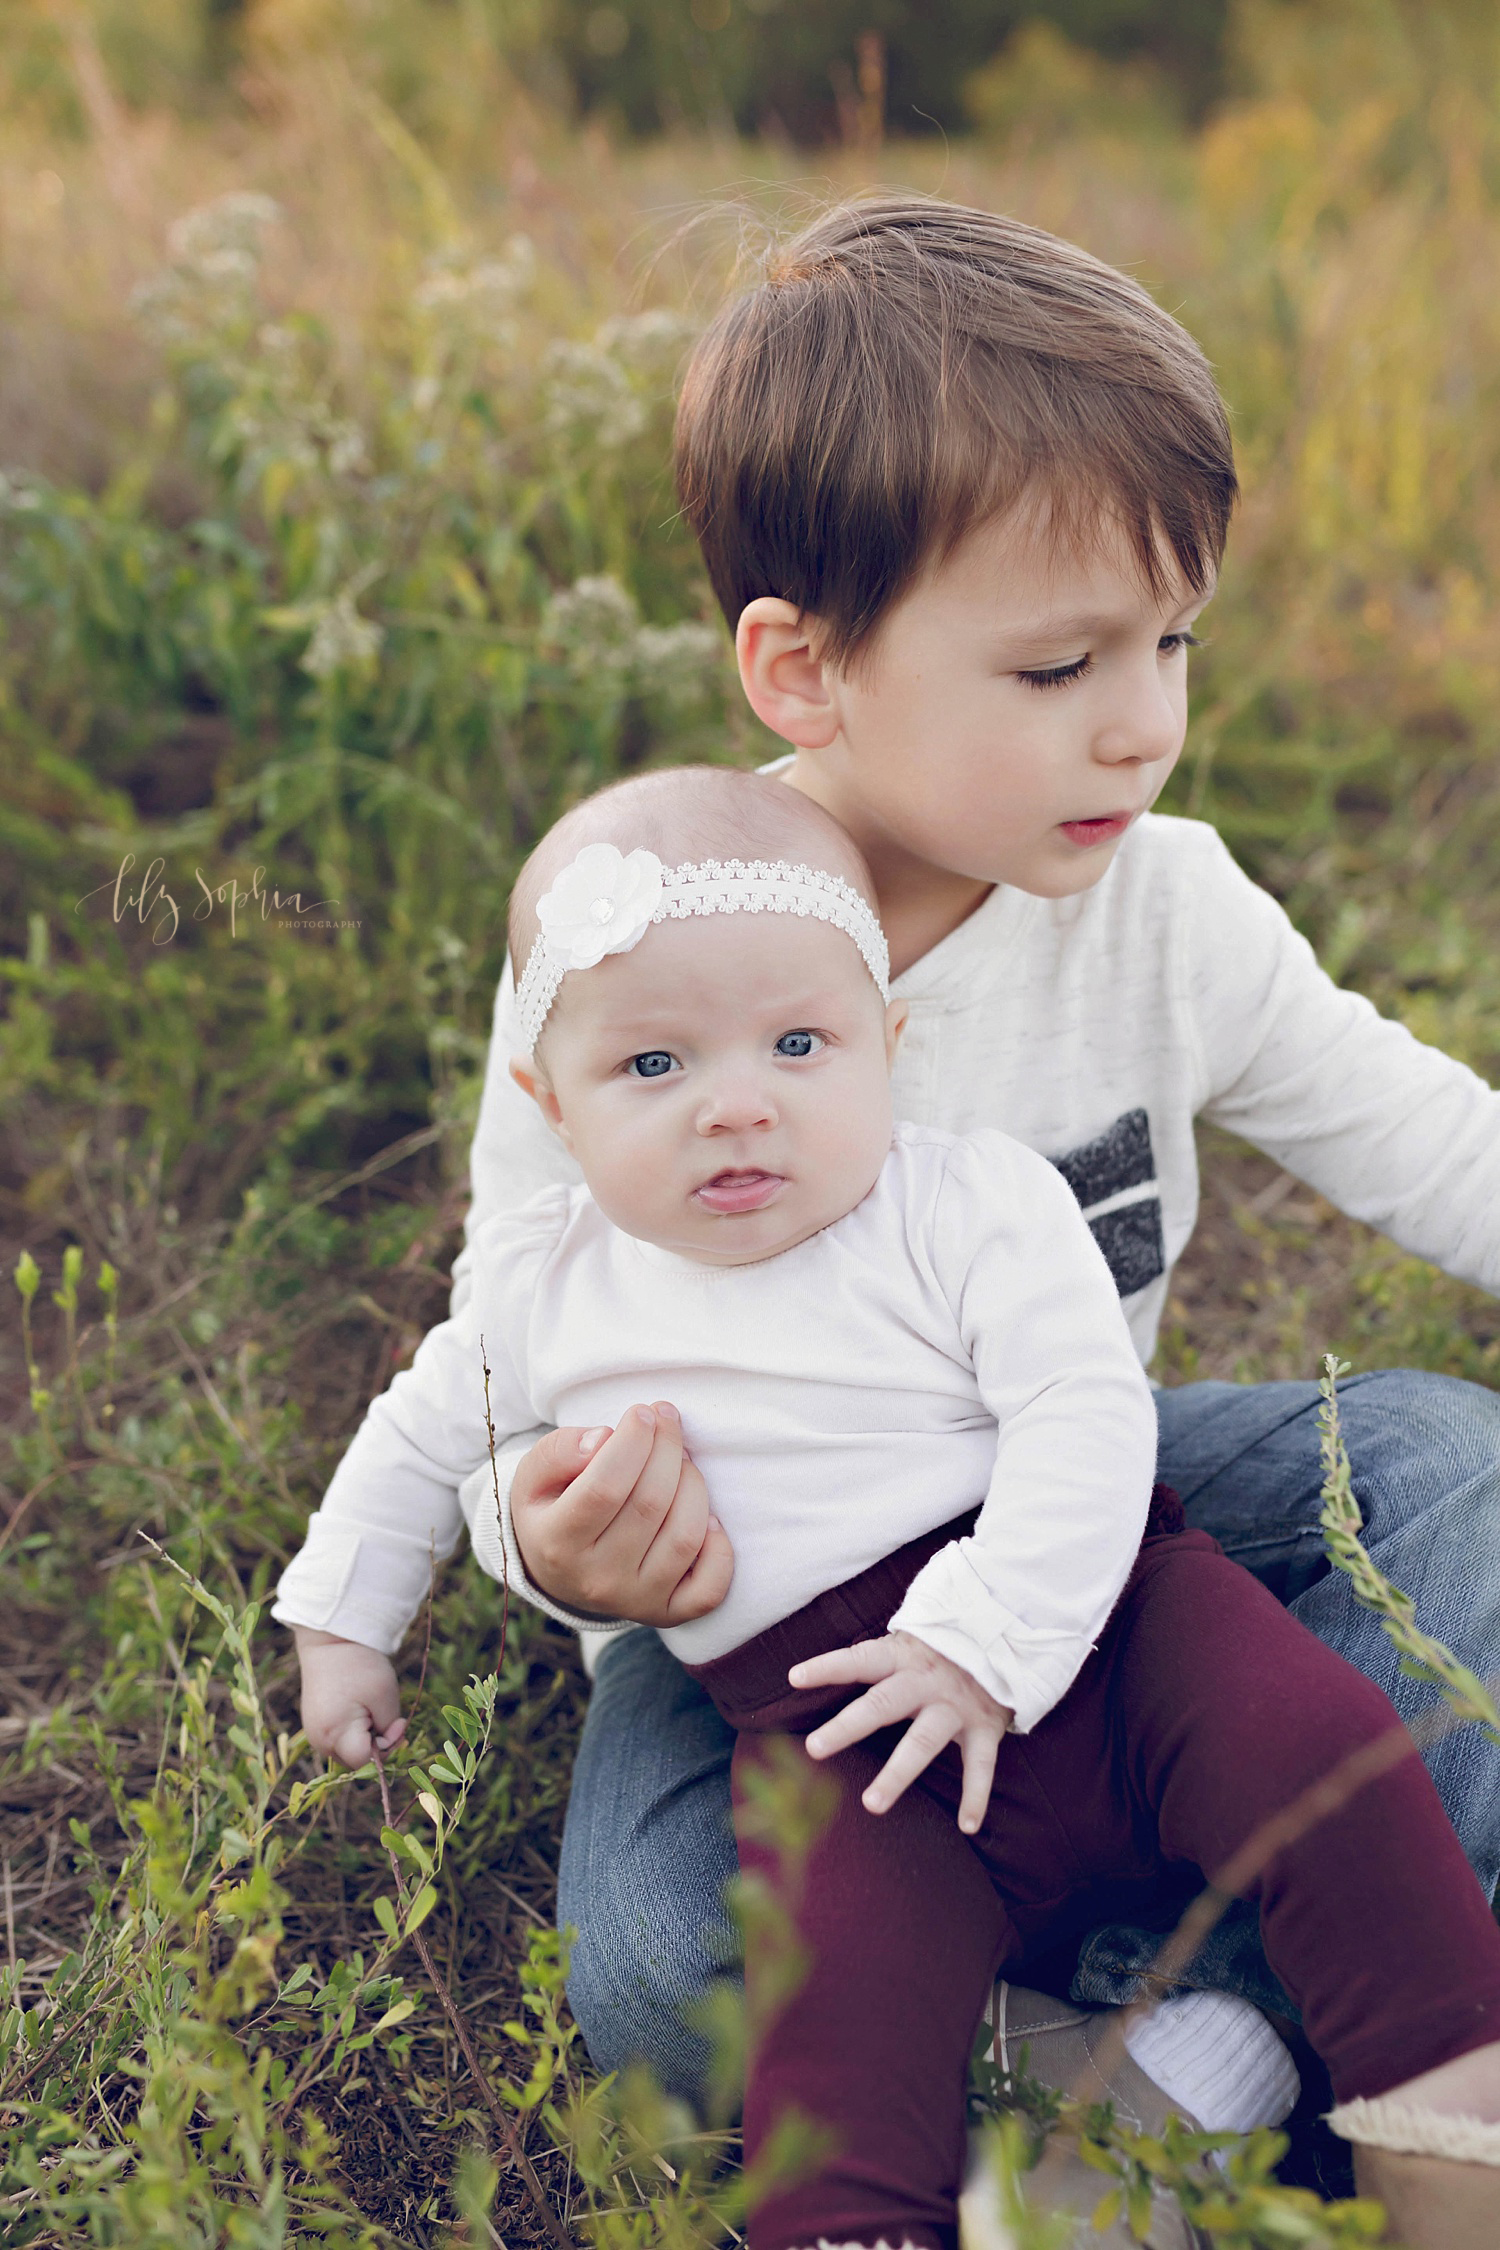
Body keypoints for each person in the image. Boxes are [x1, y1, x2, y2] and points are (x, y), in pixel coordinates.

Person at [276, 195, 1500, 2230]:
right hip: (763, 1615)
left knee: (1454, 1468)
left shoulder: (1164, 905)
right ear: (803, 668)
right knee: (668, 1964)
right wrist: (556, 1538)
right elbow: (504, 1351)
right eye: (1057, 662)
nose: (1143, 721)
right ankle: (1195, 2040)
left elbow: (1429, 1135)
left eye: (1170, 641)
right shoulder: (640, 951)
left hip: (1090, 1502)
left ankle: (1352, 2021)